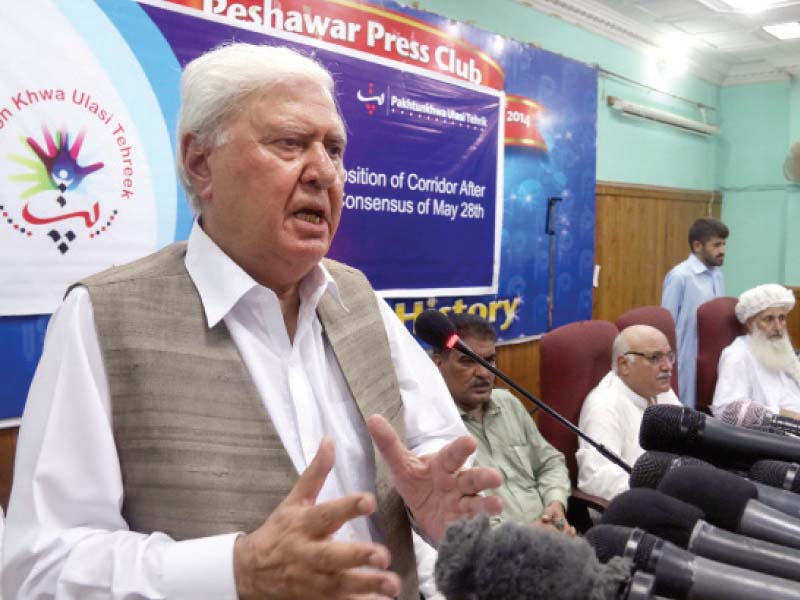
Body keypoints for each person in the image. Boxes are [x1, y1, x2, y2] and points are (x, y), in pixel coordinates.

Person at [2, 43, 502, 600]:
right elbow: (38, 566)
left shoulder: (360, 301)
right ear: (199, 162)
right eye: (290, 143)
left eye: (334, 149)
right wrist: (233, 571)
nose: (323, 173)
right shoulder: (102, 317)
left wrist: (431, 511)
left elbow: (434, 452)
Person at [431, 313, 574, 535]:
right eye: (468, 361)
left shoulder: (508, 404)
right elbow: (461, 519)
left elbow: (550, 463)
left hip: (554, 534)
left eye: (489, 361)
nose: (483, 372)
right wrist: (533, 536)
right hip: (498, 555)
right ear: (438, 364)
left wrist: (555, 505)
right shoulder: (433, 428)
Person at [577, 325, 682, 502]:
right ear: (624, 364)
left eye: (669, 356)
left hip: (678, 484)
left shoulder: (661, 390)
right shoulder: (603, 405)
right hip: (640, 506)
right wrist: (664, 490)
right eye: (655, 358)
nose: (667, 366)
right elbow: (597, 477)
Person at [662, 217, 729, 409]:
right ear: (698, 245)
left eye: (723, 244)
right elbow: (667, 324)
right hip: (686, 358)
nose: (722, 250)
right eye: (716, 245)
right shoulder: (680, 276)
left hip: (713, 356)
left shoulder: (717, 274)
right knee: (685, 410)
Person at [712, 284, 800, 417]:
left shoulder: (782, 350)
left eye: (782, 318)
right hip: (777, 434)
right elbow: (726, 409)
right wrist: (783, 415)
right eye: (769, 319)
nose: (778, 327)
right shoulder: (737, 355)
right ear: (749, 324)